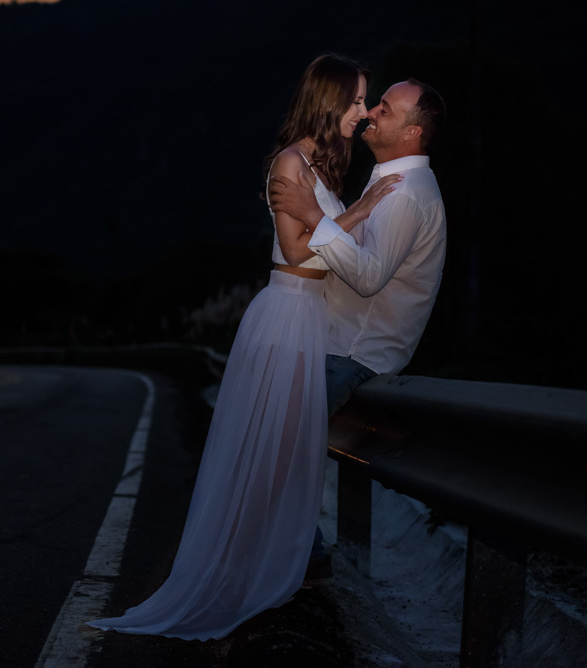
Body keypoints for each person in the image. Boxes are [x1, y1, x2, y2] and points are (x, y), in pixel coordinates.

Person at [86, 54, 401, 641]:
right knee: (272, 452)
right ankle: (235, 571)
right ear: (329, 100)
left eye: (366, 102)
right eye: (357, 100)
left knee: (286, 454)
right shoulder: (289, 162)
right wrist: (362, 210)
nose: (363, 112)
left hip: (312, 318)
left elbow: (329, 245)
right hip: (286, 314)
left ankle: (269, 564)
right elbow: (299, 251)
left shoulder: (322, 166)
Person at [268, 78, 448, 586]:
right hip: (334, 341)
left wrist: (311, 214)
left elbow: (368, 277)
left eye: (385, 109)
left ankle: (301, 562)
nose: (370, 113)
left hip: (355, 352)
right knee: (277, 446)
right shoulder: (388, 182)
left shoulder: (407, 194)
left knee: (278, 447)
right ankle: (299, 559)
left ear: (412, 133)